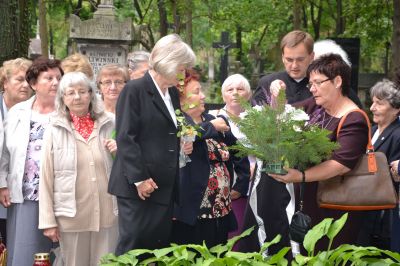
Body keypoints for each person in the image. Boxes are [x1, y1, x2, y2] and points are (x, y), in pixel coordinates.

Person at [268, 53, 369, 250]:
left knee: (329, 253)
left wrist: (300, 176)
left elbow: (340, 165)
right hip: (310, 201)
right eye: (310, 84)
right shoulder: (315, 107)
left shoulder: (353, 119)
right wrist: (276, 95)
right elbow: (281, 115)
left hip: (337, 206)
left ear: (338, 81)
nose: (312, 89)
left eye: (317, 82)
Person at [108, 34, 196, 255]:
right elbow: (126, 137)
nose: (184, 74)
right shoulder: (134, 90)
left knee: (156, 250)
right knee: (134, 248)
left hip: (164, 186)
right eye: (182, 67)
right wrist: (140, 179)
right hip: (140, 188)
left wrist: (184, 143)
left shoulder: (172, 93)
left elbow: (168, 131)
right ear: (169, 63)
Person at [39, 72, 118, 266]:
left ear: (91, 94)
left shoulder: (110, 123)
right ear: (62, 98)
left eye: (82, 91)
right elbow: (46, 177)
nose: (77, 97)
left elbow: (127, 163)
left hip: (108, 213)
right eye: (70, 93)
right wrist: (48, 221)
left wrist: (120, 150)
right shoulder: (54, 128)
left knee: (107, 263)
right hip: (71, 216)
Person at [0, 57, 63, 266]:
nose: (55, 82)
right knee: (25, 252)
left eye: (58, 78)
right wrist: (2, 183)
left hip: (60, 195)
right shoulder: (18, 111)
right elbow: (5, 152)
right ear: (34, 83)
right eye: (49, 78)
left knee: (60, 253)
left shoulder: (68, 112)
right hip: (25, 192)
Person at [172, 69, 237, 247]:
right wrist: (210, 127)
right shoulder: (177, 123)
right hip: (192, 214)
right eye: (196, 92)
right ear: (181, 101)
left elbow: (238, 152)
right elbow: (185, 135)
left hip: (221, 210)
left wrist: (241, 184)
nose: (203, 96)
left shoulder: (215, 121)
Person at [252, 31, 362, 108]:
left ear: (311, 56)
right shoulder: (266, 83)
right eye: (289, 60)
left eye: (300, 59)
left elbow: (354, 112)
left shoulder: (329, 83)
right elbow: (255, 122)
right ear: (282, 57)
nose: (294, 66)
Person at [209, 74, 252, 240]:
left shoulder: (258, 118)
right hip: (222, 184)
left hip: (252, 183)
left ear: (248, 95)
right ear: (222, 95)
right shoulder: (212, 117)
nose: (235, 93)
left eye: (240, 89)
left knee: (246, 233)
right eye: (230, 89)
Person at [359, 79, 400, 252]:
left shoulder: (398, 134)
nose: (372, 108)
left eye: (379, 104)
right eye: (373, 102)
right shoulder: (373, 130)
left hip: (384, 213)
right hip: (366, 205)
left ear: (396, 109)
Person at [0, 57, 33, 244]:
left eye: (29, 80)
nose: (25, 85)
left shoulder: (34, 112)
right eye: (19, 79)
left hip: (21, 192)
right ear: (5, 82)